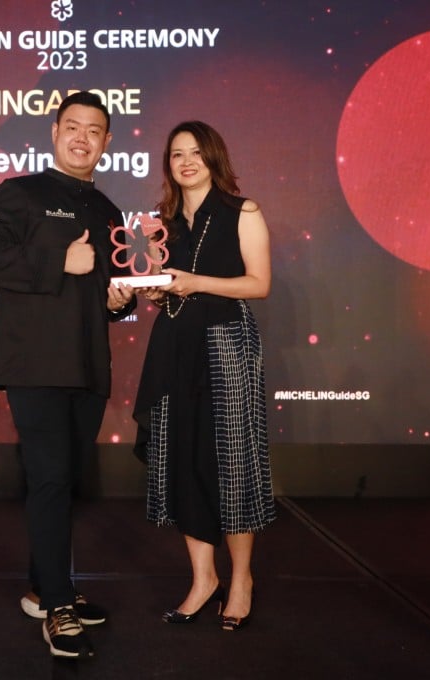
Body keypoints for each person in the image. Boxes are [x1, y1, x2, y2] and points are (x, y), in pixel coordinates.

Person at [0, 91, 136, 658]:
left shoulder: (109, 211)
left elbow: (114, 290)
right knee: (47, 479)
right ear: (54, 131)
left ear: (107, 142)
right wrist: (57, 261)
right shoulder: (18, 193)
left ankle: (46, 588)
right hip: (35, 364)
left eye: (95, 130)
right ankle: (59, 606)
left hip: (89, 366)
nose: (83, 138)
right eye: (73, 126)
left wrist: (120, 301)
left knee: (62, 482)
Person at [134, 120, 275, 632]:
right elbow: (166, 284)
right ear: (168, 165)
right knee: (182, 461)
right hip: (174, 347)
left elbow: (259, 284)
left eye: (196, 152)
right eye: (176, 154)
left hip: (227, 345)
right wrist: (155, 290)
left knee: (232, 462)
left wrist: (194, 283)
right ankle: (202, 580)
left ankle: (241, 580)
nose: (186, 161)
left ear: (214, 157)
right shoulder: (162, 223)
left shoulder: (243, 211)